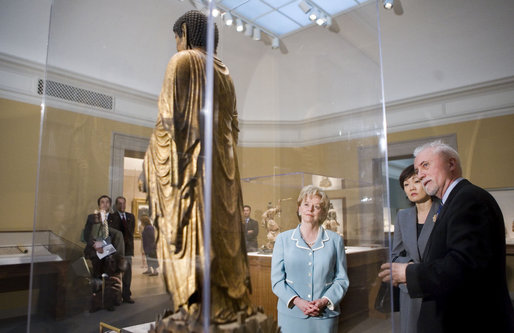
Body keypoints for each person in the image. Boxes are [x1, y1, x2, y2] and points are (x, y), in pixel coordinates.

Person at [142, 10, 253, 323]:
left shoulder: (182, 61)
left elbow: (167, 120)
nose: (177, 44)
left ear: (187, 33)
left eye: (178, 37)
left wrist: (152, 163)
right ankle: (228, 304)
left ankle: (198, 304)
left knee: (196, 237)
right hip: (225, 173)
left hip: (192, 171)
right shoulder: (226, 73)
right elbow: (233, 128)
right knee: (223, 237)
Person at [378, 140, 514, 332]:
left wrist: (408, 273)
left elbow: (464, 266)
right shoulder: (452, 202)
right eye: (417, 170)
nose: (421, 174)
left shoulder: (468, 199)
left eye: (426, 165)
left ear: (451, 164)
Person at [271, 185, 349, 333]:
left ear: (324, 212)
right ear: (299, 208)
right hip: (291, 314)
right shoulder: (282, 239)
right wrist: (299, 302)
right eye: (306, 204)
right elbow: (277, 281)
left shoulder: (335, 240)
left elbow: (341, 279)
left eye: (317, 206)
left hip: (325, 315)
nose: (310, 209)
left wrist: (324, 301)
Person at [388, 164, 440, 333]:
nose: (411, 188)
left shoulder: (444, 211)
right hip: (410, 287)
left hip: (437, 285)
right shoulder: (402, 216)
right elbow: (395, 254)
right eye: (406, 184)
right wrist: (410, 267)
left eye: (416, 181)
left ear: (426, 182)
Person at [83, 195, 125, 311]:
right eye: (102, 202)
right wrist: (95, 245)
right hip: (94, 250)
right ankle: (95, 303)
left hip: (109, 250)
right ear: (99, 204)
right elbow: (86, 234)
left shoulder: (115, 218)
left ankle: (107, 302)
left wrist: (105, 246)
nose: (105, 204)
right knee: (96, 276)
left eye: (107, 202)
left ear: (110, 205)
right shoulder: (92, 217)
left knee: (109, 277)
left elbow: (116, 235)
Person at [110, 196, 136, 304]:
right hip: (117, 250)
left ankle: (126, 296)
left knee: (127, 274)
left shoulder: (131, 217)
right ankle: (115, 298)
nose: (122, 206)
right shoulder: (112, 217)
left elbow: (131, 232)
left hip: (128, 250)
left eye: (123, 203)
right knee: (115, 274)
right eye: (119, 203)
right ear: (116, 205)